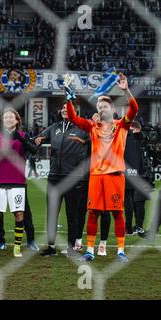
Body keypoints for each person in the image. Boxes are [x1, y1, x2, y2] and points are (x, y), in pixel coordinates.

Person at [65, 73, 138, 263]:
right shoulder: (92, 126)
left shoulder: (121, 125)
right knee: (93, 212)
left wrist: (126, 90)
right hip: (97, 175)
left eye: (104, 105)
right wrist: (68, 99)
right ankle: (90, 250)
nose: (101, 108)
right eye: (99, 106)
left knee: (118, 213)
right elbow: (72, 117)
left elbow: (134, 108)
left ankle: (121, 251)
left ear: (112, 108)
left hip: (114, 175)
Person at [0, 103, 39, 251]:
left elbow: (34, 150)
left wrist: (21, 138)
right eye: (5, 117)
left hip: (18, 180)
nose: (7, 119)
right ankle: (0, 241)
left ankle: (31, 240)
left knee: (24, 212)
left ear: (17, 120)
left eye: (11, 117)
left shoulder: (23, 135)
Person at [35, 103, 89, 257]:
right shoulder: (54, 128)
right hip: (54, 177)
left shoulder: (83, 129)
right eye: (63, 108)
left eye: (68, 108)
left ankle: (71, 247)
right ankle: (51, 246)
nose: (65, 110)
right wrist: (38, 140)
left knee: (72, 214)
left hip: (73, 177)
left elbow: (95, 146)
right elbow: (38, 139)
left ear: (74, 111)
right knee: (52, 213)